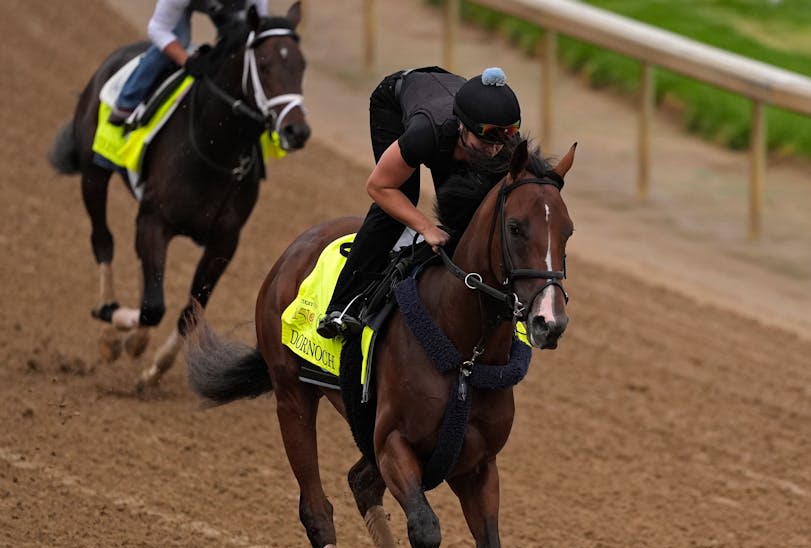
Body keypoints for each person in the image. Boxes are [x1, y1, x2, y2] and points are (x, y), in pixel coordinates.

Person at [316, 66, 522, 339]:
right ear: (463, 126)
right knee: (400, 199)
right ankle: (343, 306)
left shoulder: (502, 144)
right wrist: (425, 227)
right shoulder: (427, 133)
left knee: (466, 212)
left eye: (499, 144)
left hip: (443, 99)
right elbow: (378, 186)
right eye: (485, 141)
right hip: (395, 102)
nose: (493, 151)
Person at [109, 0, 269, 125]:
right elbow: (157, 28)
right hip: (183, 5)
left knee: (241, 37)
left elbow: (260, 33)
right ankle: (126, 102)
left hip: (226, 8)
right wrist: (187, 61)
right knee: (180, 37)